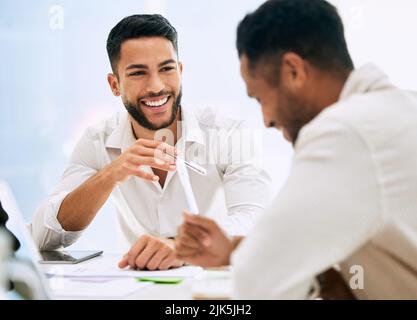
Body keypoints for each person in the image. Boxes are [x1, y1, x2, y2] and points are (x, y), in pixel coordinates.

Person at [175, 0, 417, 299]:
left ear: (293, 70)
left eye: (261, 98)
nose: (266, 120)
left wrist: (247, 263)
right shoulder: (397, 109)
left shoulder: (346, 132)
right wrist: (233, 251)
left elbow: (256, 282)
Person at [30, 14, 271, 271]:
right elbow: (43, 237)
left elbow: (256, 220)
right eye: (138, 73)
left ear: (180, 71)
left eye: (166, 69)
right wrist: (110, 174)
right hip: (137, 287)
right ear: (114, 85)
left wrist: (184, 246)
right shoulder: (97, 140)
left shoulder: (229, 131)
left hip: (213, 289)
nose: (156, 86)